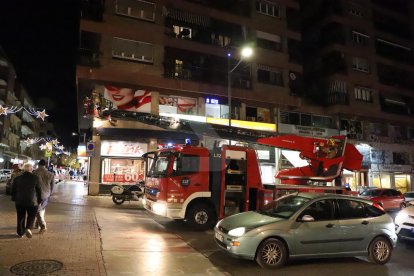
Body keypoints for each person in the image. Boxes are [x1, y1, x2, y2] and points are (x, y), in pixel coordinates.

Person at [11, 163, 42, 238]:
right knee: (31, 216)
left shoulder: (17, 178)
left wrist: (14, 198)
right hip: (32, 201)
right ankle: (28, 228)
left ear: (23, 169)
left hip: (20, 201)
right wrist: (39, 200)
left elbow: (13, 190)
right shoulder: (35, 178)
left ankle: (20, 233)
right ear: (31, 169)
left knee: (20, 217)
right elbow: (39, 190)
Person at [33, 159, 55, 233]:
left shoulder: (34, 173)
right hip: (46, 195)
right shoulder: (50, 174)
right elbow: (52, 186)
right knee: (41, 209)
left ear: (38, 165)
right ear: (45, 165)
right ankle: (37, 223)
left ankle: (43, 225)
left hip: (36, 194)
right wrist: (49, 194)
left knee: (38, 209)